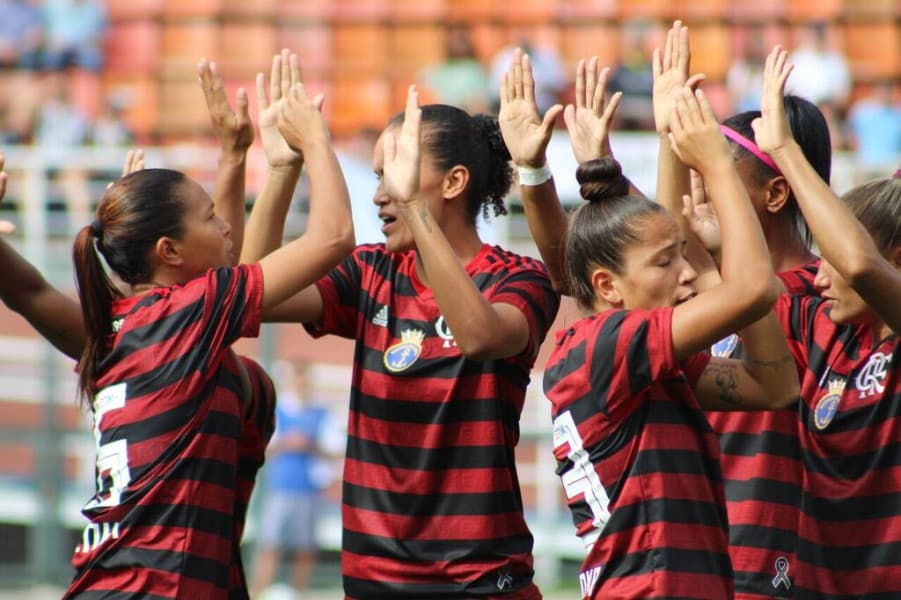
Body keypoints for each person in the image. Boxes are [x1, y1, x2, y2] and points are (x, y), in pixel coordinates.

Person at [241, 79, 560, 595]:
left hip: (478, 575)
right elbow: (252, 293)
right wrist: (281, 171)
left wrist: (413, 208)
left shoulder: (518, 278)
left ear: (454, 182)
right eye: (378, 177)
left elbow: (479, 336)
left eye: (395, 175)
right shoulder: (372, 271)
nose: (380, 194)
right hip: (374, 576)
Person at [539, 84, 800, 597]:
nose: (686, 274)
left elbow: (774, 387)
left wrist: (722, 255)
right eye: (666, 261)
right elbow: (754, 288)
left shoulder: (632, 359)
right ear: (607, 287)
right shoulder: (610, 343)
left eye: (684, 255)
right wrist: (717, 167)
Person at [650, 24, 832, 599]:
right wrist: (667, 140)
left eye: (716, 177)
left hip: (774, 558)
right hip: (699, 554)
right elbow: (670, 241)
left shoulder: (819, 295)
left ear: (775, 195)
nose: (699, 193)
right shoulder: (715, 289)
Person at [754, 46, 901, 599]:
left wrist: (786, 151)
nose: (819, 277)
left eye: (830, 262)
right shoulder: (823, 331)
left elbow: (860, 262)